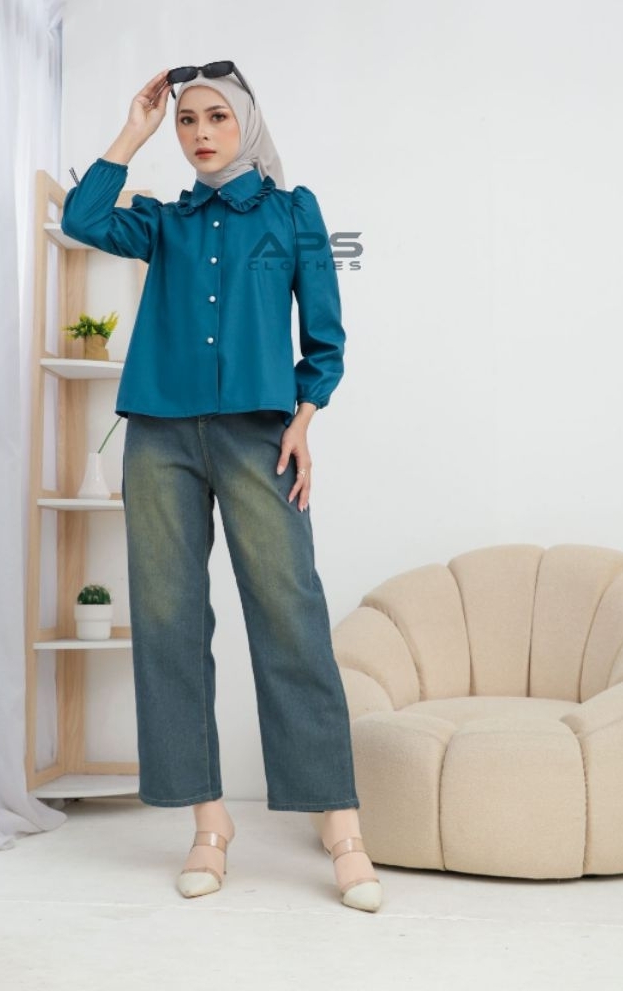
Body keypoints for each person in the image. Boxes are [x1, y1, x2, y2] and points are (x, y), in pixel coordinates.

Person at [61, 63, 382, 913]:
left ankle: (341, 826)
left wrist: (304, 419)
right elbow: (82, 218)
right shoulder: (162, 223)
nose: (201, 133)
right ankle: (208, 822)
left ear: (246, 123)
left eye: (217, 117)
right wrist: (133, 130)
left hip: (258, 438)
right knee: (168, 621)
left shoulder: (292, 212)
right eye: (187, 120)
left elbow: (324, 335)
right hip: (159, 435)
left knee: (290, 615)